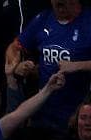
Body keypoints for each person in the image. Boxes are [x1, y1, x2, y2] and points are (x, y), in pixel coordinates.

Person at [11, 0, 91, 130]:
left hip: (76, 115)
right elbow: (15, 46)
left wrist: (77, 65)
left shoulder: (87, 20)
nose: (61, 7)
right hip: (42, 112)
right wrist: (18, 65)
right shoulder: (43, 18)